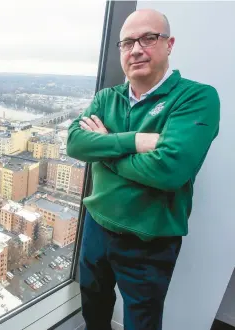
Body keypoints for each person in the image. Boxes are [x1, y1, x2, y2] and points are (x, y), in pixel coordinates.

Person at [67, 9, 220, 330]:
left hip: (149, 241)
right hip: (96, 226)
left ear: (169, 44)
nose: (136, 49)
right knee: (93, 308)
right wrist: (136, 141)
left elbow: (169, 170)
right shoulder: (107, 97)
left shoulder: (196, 98)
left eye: (148, 38)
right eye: (127, 43)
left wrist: (106, 145)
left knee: (142, 320)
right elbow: (76, 145)